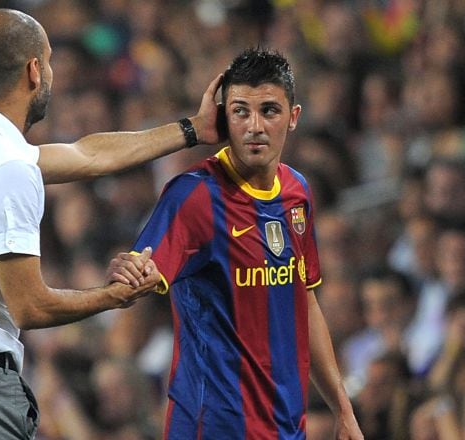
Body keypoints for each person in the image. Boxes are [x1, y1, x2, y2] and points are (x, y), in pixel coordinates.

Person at [0, 8, 224, 440]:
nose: (50, 72)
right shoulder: (8, 168)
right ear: (34, 70)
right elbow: (30, 307)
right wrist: (113, 296)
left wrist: (192, 129)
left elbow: (89, 155)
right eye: (48, 61)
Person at [108, 48, 363, 439]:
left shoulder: (297, 192)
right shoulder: (193, 195)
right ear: (223, 116)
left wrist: (343, 411)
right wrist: (125, 276)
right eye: (241, 111)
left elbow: (304, 301)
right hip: (211, 426)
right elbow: (139, 275)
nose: (254, 126)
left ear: (293, 118)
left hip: (286, 426)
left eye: (269, 111)